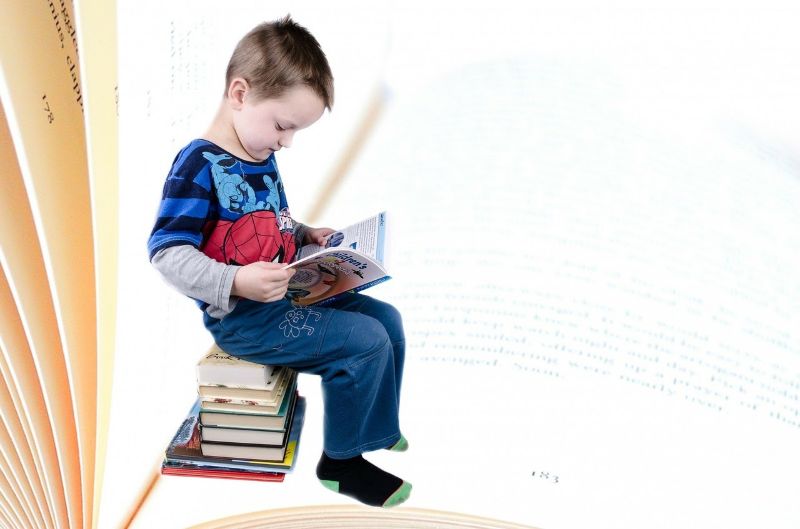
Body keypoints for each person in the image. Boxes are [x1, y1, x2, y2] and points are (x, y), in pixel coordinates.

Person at [146, 16, 410, 508]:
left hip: (290, 294)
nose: (287, 142)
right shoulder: (197, 166)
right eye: (284, 126)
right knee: (364, 342)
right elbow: (166, 252)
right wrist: (235, 280)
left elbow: (270, 221)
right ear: (240, 93)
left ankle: (375, 428)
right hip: (248, 321)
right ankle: (341, 463)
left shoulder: (257, 150)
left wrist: (307, 234)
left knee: (388, 321)